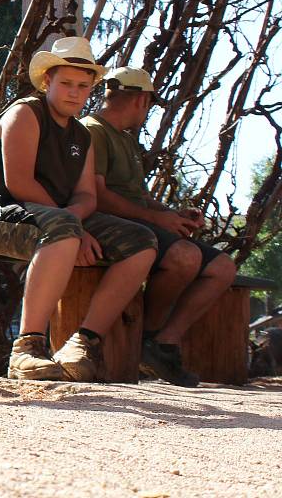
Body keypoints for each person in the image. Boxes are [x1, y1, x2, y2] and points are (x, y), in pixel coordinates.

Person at [0, 38, 157, 382]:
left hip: (59, 221)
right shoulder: (25, 112)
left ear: (91, 90)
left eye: (83, 86)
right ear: (47, 82)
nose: (74, 92)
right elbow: (20, 183)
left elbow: (87, 196)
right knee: (63, 230)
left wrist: (76, 223)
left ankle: (83, 342)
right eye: (66, 83)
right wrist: (75, 227)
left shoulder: (82, 136)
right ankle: (27, 349)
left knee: (141, 241)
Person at [81, 66, 237, 387]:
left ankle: (161, 342)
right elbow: (97, 196)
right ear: (141, 100)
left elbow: (140, 197)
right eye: (150, 103)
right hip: (114, 227)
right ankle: (144, 337)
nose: (149, 110)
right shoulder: (92, 130)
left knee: (223, 267)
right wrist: (157, 219)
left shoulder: (126, 140)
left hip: (143, 225)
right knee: (185, 258)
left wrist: (173, 214)